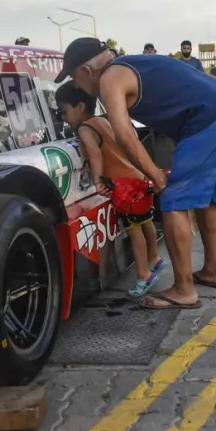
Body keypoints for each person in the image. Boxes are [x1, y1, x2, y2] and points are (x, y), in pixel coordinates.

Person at [55, 37, 216, 310]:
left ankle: (184, 290)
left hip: (207, 118)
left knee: (172, 199)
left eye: (74, 78)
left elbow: (124, 135)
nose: (77, 86)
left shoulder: (110, 79)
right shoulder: (130, 64)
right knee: (205, 198)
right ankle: (213, 270)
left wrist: (155, 175)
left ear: (86, 70)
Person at [55, 82, 164, 297]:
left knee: (133, 231)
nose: (64, 118)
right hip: (138, 179)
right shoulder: (103, 121)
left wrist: (98, 181)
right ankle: (154, 259)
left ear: (79, 107)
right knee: (146, 222)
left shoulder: (85, 129)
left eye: (64, 111)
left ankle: (144, 275)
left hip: (125, 187)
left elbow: (95, 155)